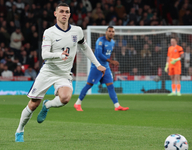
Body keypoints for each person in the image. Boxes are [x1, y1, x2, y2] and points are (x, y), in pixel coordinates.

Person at [15, 3, 106, 142]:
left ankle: (47, 105)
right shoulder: (49, 32)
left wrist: (98, 64)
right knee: (33, 104)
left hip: (64, 73)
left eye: (67, 12)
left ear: (70, 14)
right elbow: (44, 54)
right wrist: (59, 55)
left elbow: (85, 47)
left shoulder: (77, 31)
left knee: (65, 98)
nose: (64, 14)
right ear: (55, 14)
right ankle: (20, 130)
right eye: (61, 11)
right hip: (48, 71)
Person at [74, 26, 129, 111]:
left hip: (106, 67)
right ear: (106, 32)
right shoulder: (100, 41)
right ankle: (77, 103)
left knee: (110, 86)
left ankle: (117, 106)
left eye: (112, 31)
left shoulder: (113, 42)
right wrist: (111, 61)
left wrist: (109, 62)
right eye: (109, 31)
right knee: (89, 85)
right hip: (97, 66)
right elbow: (99, 54)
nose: (111, 33)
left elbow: (108, 54)